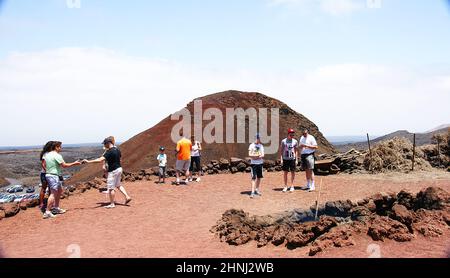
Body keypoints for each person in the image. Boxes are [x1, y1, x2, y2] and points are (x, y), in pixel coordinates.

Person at [83, 137, 132, 208]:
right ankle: (127, 197)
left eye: (105, 144)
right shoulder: (117, 149)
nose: (104, 146)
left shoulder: (109, 152)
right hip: (119, 169)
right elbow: (120, 159)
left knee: (111, 188)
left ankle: (112, 204)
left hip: (113, 171)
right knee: (118, 185)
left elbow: (100, 160)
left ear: (108, 143)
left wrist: (88, 161)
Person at [43, 141, 82, 219]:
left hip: (49, 174)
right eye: (59, 147)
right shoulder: (57, 155)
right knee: (53, 193)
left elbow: (44, 165)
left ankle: (56, 208)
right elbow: (64, 165)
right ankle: (47, 212)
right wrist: (75, 163)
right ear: (56, 147)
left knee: (59, 190)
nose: (60, 148)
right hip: (54, 176)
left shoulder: (46, 155)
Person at [280, 129, 299, 193]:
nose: (292, 136)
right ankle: (285, 186)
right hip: (285, 159)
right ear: (288, 134)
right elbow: (281, 151)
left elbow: (296, 151)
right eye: (291, 135)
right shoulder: (283, 141)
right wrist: (281, 159)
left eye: (293, 135)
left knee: (293, 172)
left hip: (292, 159)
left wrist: (296, 159)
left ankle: (292, 186)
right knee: (285, 173)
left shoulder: (295, 141)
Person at [39, 141, 55, 212]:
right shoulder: (45, 154)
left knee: (50, 188)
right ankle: (41, 203)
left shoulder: (50, 153)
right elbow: (43, 164)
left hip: (49, 173)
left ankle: (49, 202)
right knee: (44, 188)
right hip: (45, 173)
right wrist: (47, 171)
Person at [248, 133, 265, 198]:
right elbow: (250, 154)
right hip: (253, 164)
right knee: (253, 178)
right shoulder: (251, 145)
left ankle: (257, 189)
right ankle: (252, 192)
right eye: (259, 138)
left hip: (260, 164)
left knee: (259, 177)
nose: (260, 139)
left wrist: (255, 157)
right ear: (256, 138)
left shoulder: (261, 146)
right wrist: (257, 156)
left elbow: (262, 155)